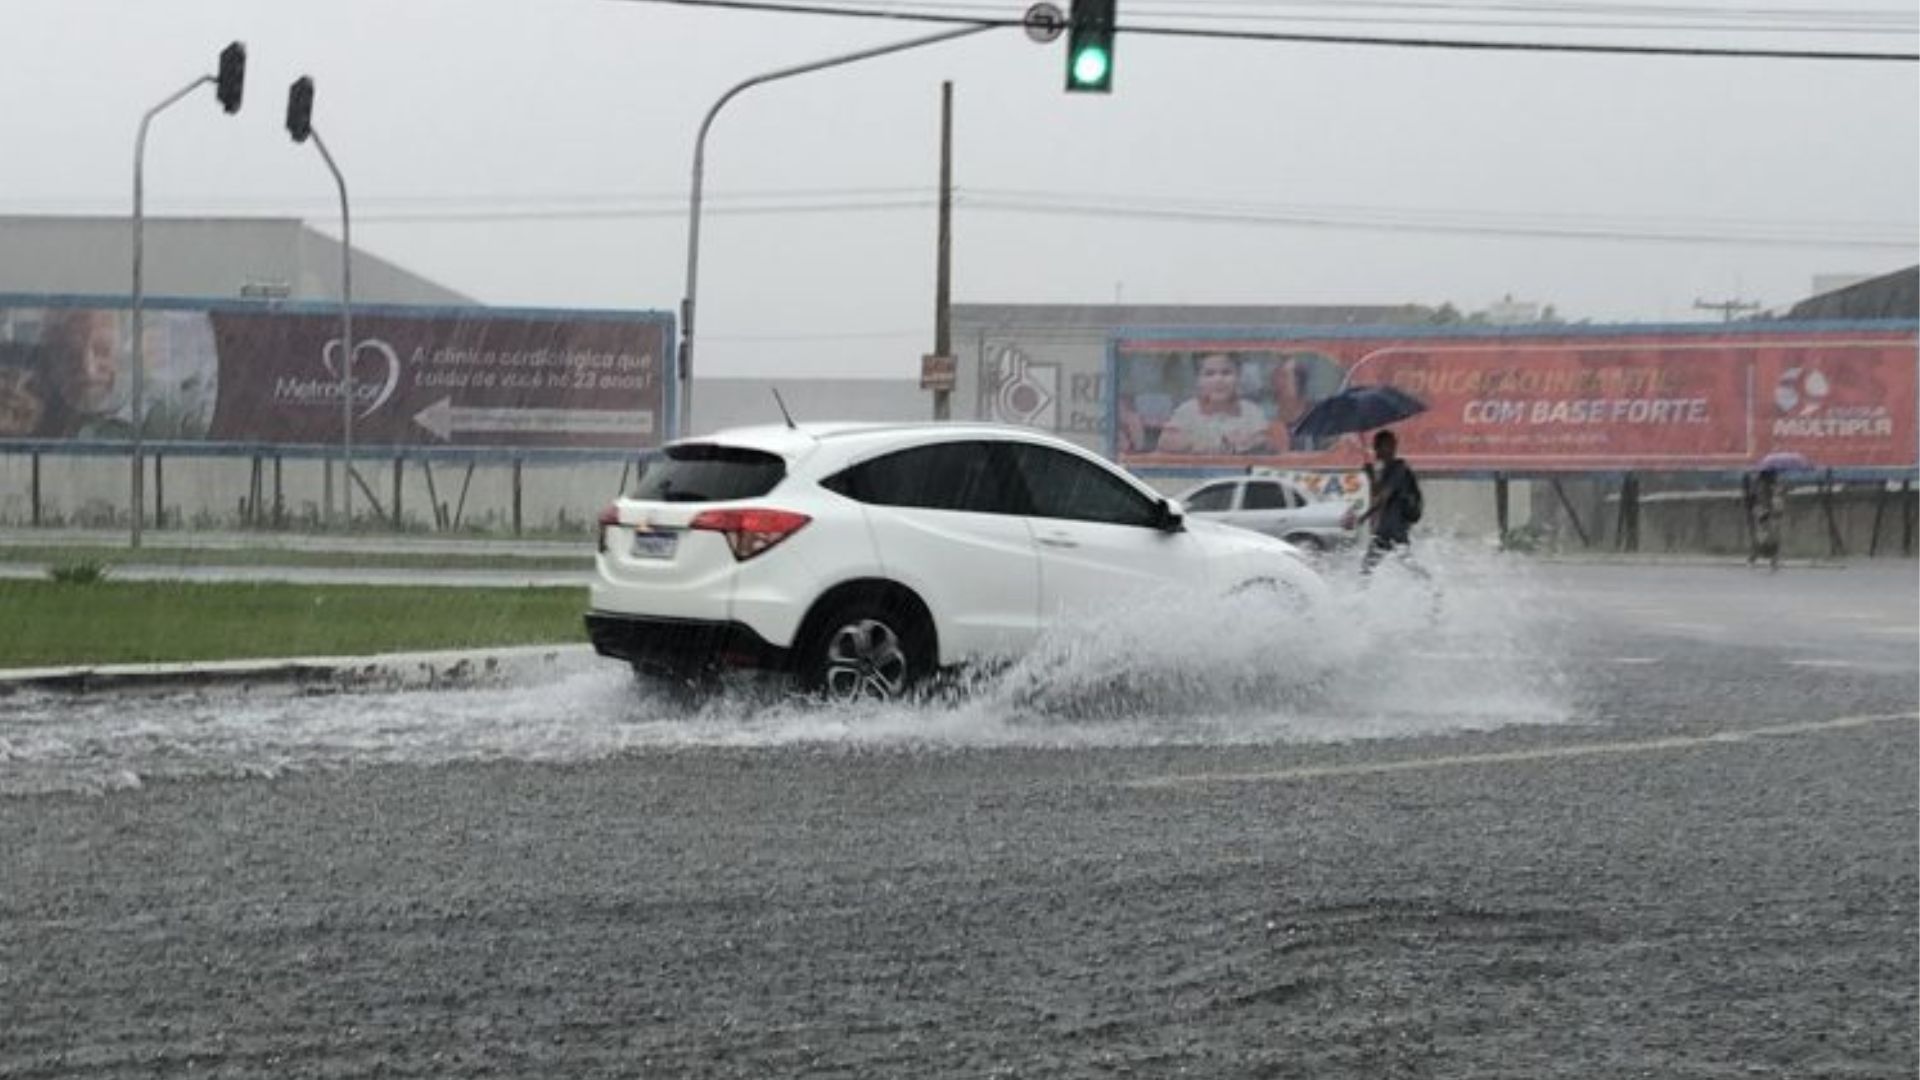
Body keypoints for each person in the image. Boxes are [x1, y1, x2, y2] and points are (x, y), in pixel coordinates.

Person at [1157, 352, 1269, 455]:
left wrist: (1249, 442)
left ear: (1238, 377)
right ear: (1198, 380)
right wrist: (1206, 442)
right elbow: (1165, 441)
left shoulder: (1250, 410)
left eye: (1226, 373)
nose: (1218, 380)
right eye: (1209, 374)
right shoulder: (1188, 409)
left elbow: (1264, 440)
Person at [1344, 428, 1422, 573]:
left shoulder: (1400, 468)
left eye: (1385, 446)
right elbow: (1379, 493)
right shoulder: (1386, 469)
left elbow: (1384, 496)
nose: (1378, 451)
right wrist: (1371, 475)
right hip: (1385, 529)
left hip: (1396, 527)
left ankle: (1432, 590)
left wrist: (1362, 518)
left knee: (1406, 563)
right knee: (1368, 566)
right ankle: (1362, 594)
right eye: (1377, 447)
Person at [1747, 468, 1785, 571]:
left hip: (1770, 511)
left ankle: (1774, 560)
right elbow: (1760, 499)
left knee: (1773, 536)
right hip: (1764, 512)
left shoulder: (1767, 484)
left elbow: (1778, 496)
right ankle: (1753, 559)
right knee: (1764, 538)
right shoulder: (1762, 485)